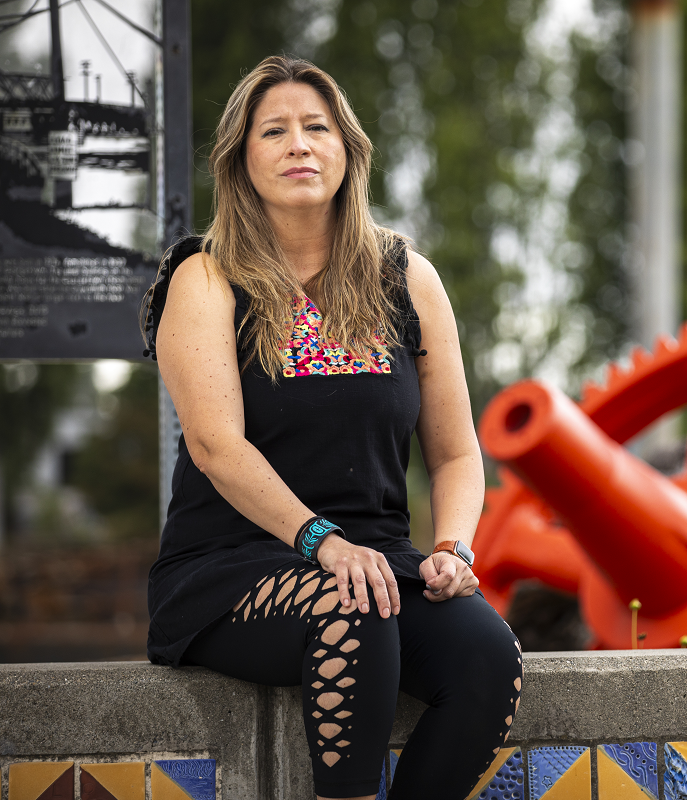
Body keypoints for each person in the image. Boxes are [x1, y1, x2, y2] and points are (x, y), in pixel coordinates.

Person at [141, 55, 521, 800]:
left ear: (347, 150)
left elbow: (454, 452)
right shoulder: (206, 277)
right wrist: (322, 541)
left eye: (317, 127)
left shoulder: (408, 279)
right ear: (241, 160)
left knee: (487, 655)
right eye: (273, 131)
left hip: (376, 563)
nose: (299, 145)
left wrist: (452, 548)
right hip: (232, 566)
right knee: (348, 602)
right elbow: (217, 446)